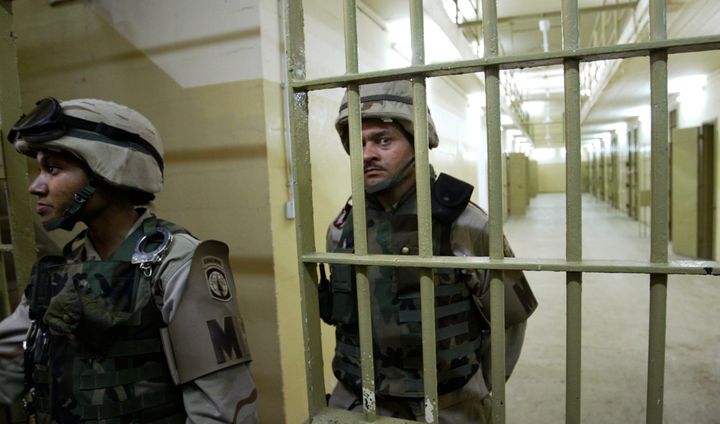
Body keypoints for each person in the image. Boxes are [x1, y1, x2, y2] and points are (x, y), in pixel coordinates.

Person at [0, 97, 258, 423]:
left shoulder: (178, 261)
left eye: (53, 169)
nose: (36, 186)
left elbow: (222, 407)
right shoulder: (58, 270)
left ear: (106, 169)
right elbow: (5, 368)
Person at [319, 80, 538, 422]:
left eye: (383, 140)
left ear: (418, 141)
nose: (367, 154)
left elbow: (510, 320)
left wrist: (473, 389)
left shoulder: (466, 225)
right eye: (358, 142)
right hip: (357, 404)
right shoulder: (343, 229)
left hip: (446, 405)